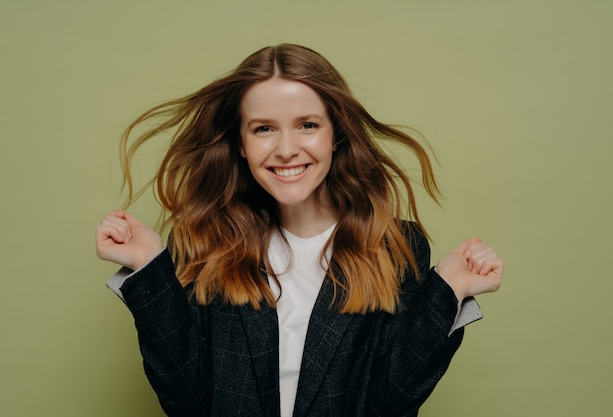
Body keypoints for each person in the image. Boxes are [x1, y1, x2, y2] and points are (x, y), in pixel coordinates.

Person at [96, 44, 503, 417]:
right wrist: (150, 268)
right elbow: (186, 401)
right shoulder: (205, 243)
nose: (286, 149)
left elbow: (391, 403)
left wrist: (446, 291)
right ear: (240, 143)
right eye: (264, 129)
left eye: (307, 125)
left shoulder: (396, 246)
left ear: (335, 135)